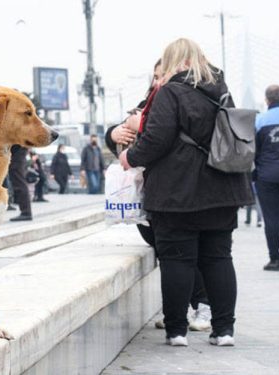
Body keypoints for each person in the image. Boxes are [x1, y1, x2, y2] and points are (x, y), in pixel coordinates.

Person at [120, 38, 254, 347]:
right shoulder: (222, 91)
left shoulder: (170, 92)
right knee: (219, 257)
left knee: (177, 260)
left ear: (172, 62)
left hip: (176, 193)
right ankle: (224, 331)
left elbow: (156, 138)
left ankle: (177, 331)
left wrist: (131, 157)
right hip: (222, 189)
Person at [108, 58, 212, 333]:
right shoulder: (151, 101)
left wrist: (140, 125)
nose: (156, 81)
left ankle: (202, 305)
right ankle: (176, 312)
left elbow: (163, 136)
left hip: (180, 192)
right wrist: (114, 133)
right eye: (154, 76)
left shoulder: (189, 99)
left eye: (160, 75)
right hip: (153, 194)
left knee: (184, 253)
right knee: (168, 254)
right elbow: (124, 137)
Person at [254, 84, 279, 271]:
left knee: (271, 219)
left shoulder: (260, 120)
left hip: (267, 177)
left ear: (267, 100)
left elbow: (253, 151)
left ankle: (274, 259)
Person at [8, 145, 33, 221]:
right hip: (19, 152)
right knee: (19, 182)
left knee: (19, 183)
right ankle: (26, 212)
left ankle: (26, 212)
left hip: (17, 153)